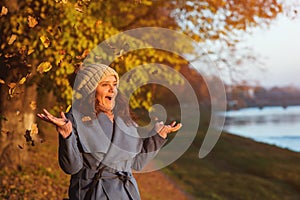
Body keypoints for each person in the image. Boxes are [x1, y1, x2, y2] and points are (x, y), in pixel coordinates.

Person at [37, 63, 182, 200]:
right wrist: (66, 135)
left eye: (114, 84)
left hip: (127, 193)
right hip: (93, 192)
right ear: (91, 90)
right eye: (105, 85)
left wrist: (159, 136)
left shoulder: (125, 118)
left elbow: (137, 163)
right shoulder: (75, 119)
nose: (112, 89)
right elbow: (71, 167)